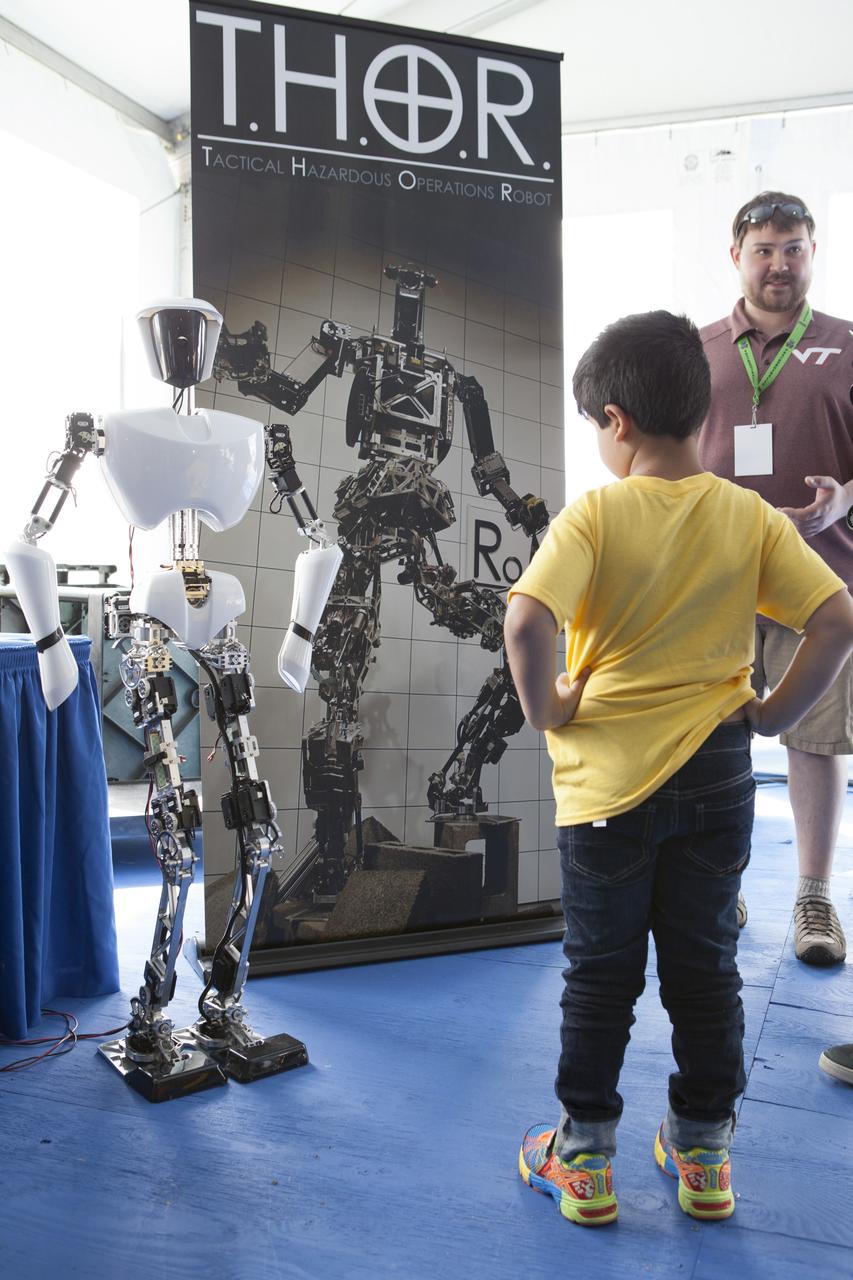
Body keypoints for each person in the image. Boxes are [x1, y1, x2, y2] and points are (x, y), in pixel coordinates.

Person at [504, 310, 853, 1227]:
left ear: (614, 421)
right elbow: (836, 617)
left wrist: (548, 709)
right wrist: (776, 714)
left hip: (604, 791)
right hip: (716, 778)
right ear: (700, 412)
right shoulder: (743, 514)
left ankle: (583, 1160)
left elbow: (525, 620)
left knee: (599, 975)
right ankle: (701, 1155)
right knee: (704, 970)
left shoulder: (596, 513)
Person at [699, 192, 853, 965]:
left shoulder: (847, 345)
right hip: (712, 581)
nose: (778, 264)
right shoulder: (694, 350)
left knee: (812, 741)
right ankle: (718, 886)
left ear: (811, 252)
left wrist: (845, 498)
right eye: (763, 250)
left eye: (792, 248)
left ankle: (813, 898)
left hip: (816, 582)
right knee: (711, 736)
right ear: (737, 256)